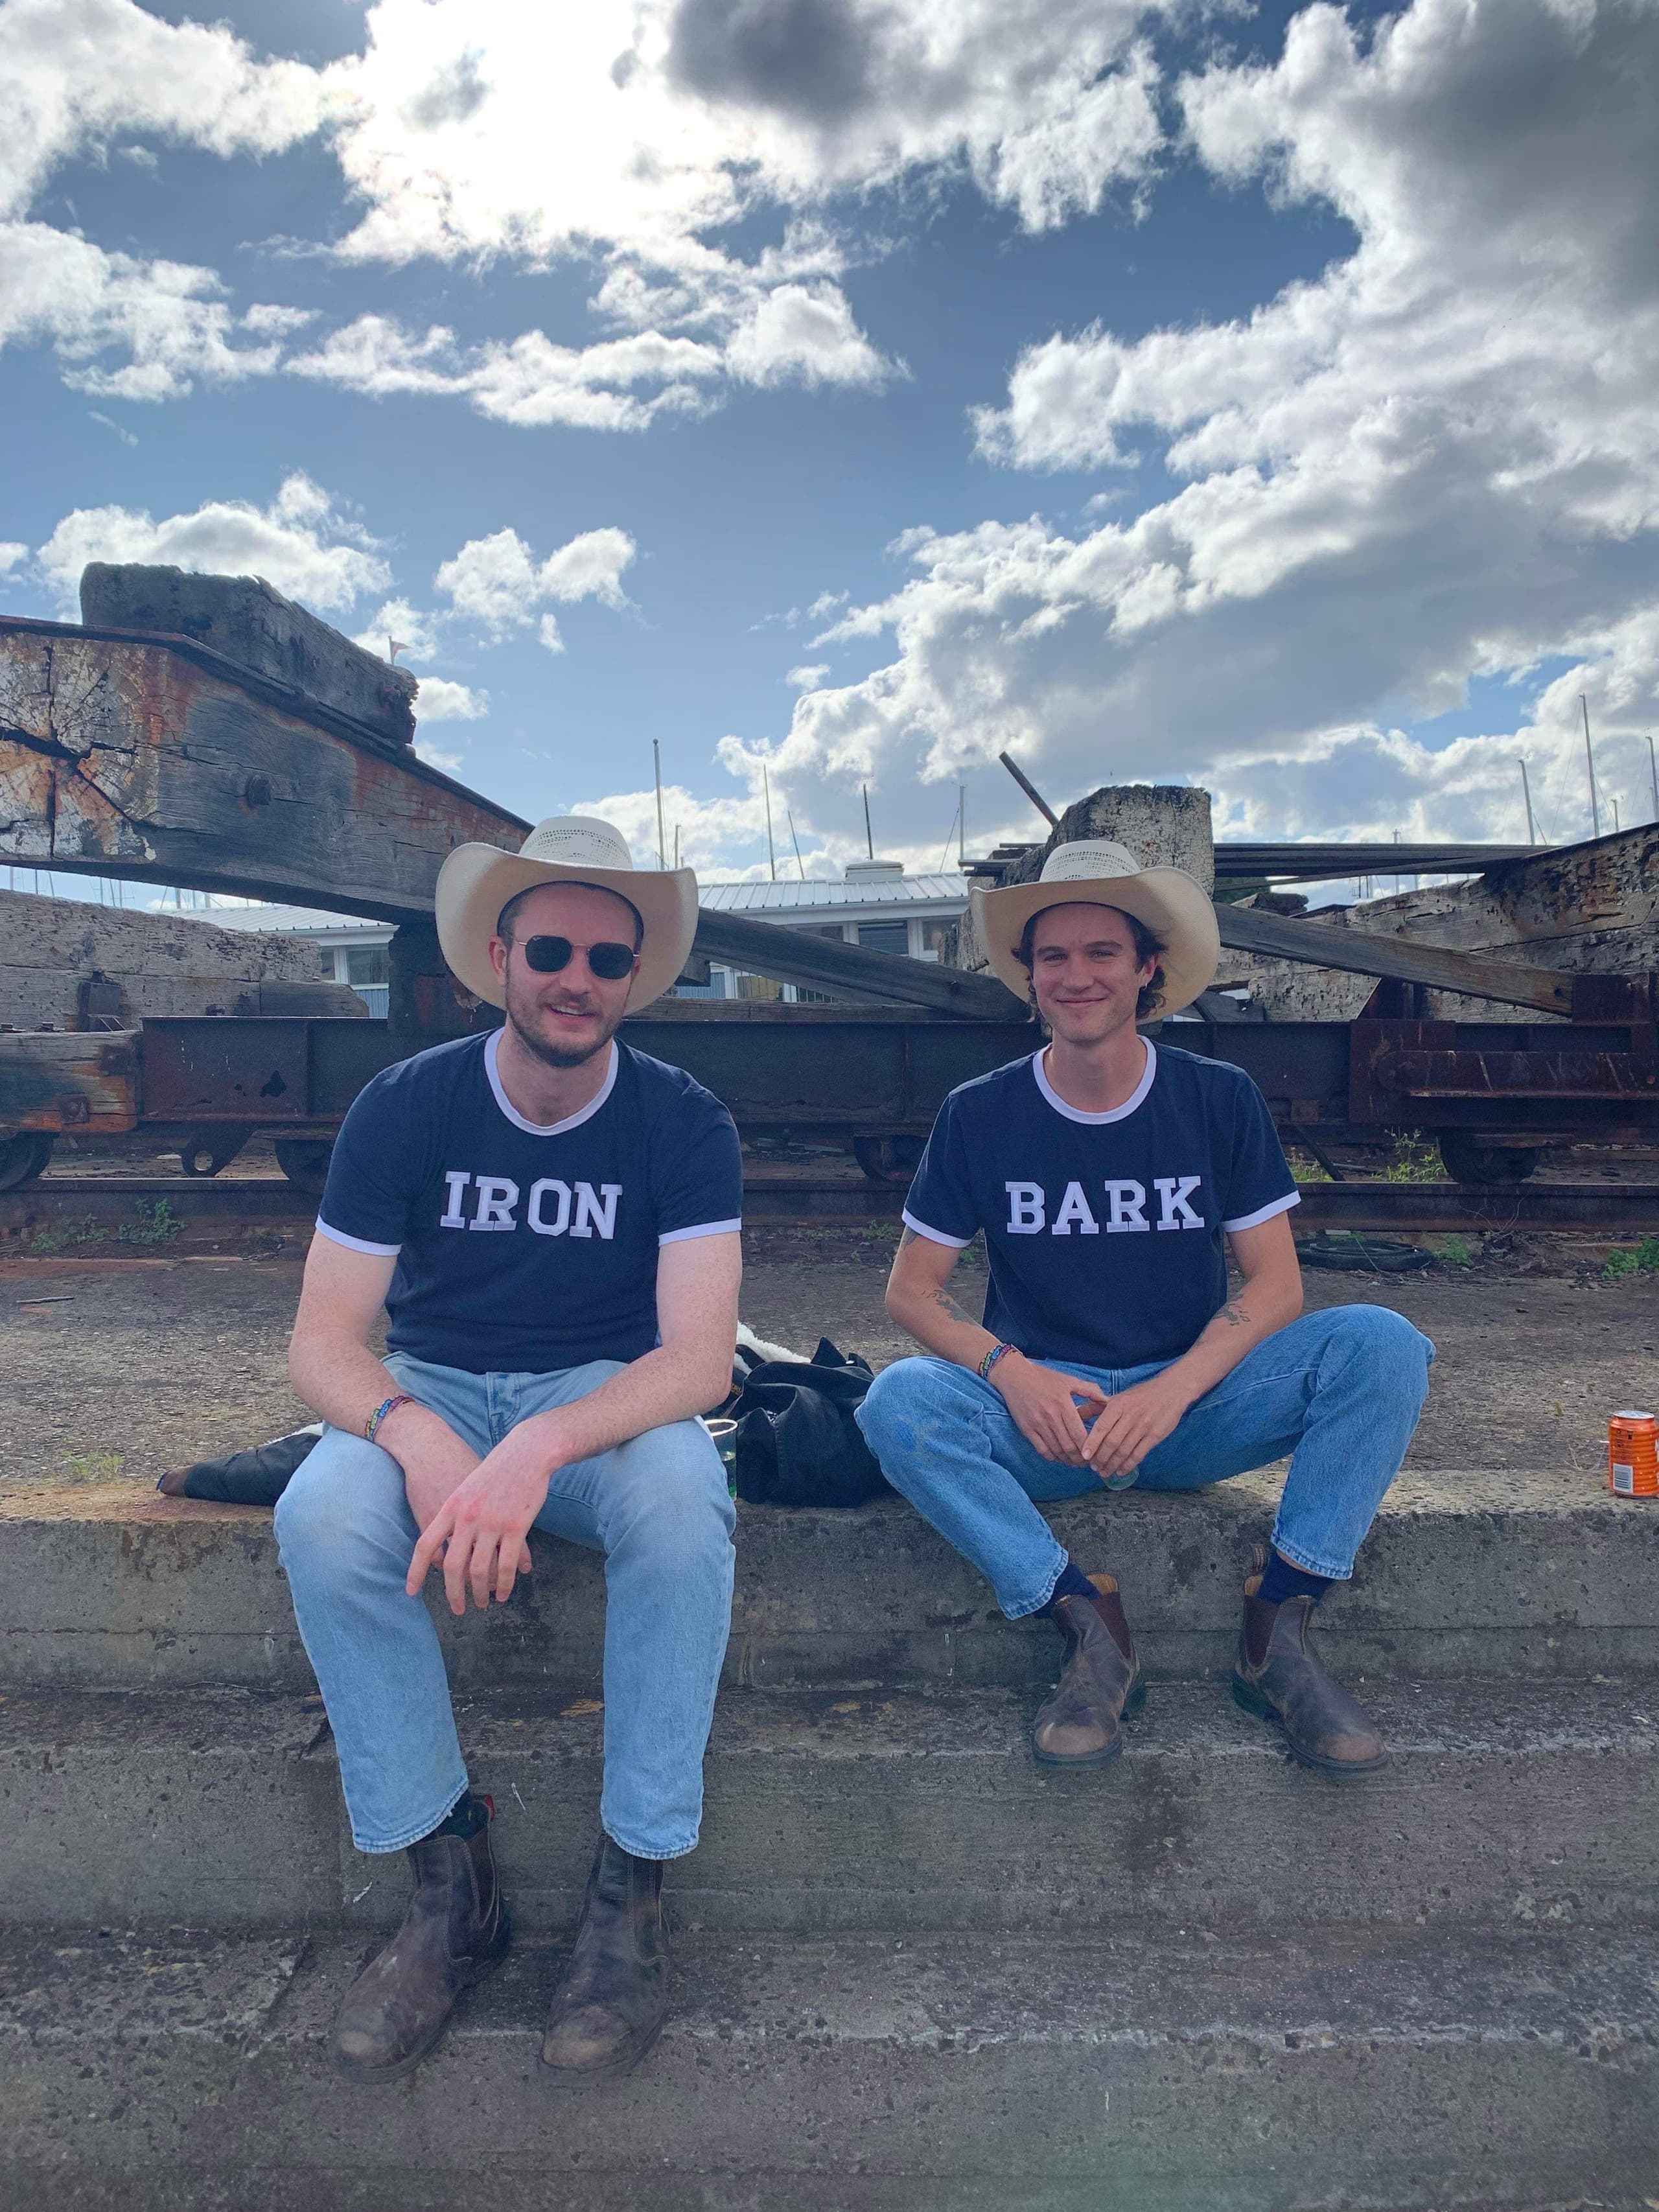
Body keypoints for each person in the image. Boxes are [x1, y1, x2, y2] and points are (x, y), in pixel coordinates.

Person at [275, 817, 743, 2086]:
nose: (574, 979)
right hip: (428, 1381)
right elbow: (322, 1343)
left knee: (682, 1500)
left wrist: (539, 1442)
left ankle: (631, 1888)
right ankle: (447, 1887)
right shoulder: (408, 1103)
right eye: (549, 948)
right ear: (498, 956)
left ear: (633, 982)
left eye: (605, 959)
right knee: (320, 1518)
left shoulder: (682, 1120)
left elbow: (699, 1363)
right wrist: (412, 1430)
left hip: (599, 1393)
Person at [857, 839, 1433, 1779]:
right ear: (1029, 978)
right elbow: (910, 1292)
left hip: (1194, 1410)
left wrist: (1171, 1392)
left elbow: (1278, 1284)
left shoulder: (1217, 1097)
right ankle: (1087, 1621)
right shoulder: (980, 1112)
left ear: (1146, 968)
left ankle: (1278, 1627)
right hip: (1047, 1421)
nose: (1076, 976)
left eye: (1101, 953)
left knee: (1382, 1346)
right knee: (897, 1404)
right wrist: (1013, 1371)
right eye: (1053, 956)